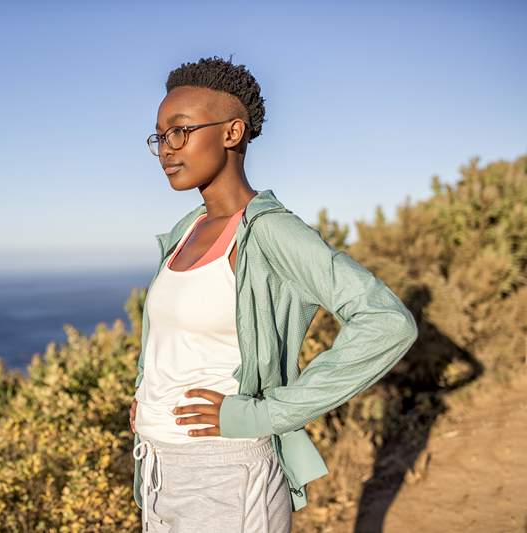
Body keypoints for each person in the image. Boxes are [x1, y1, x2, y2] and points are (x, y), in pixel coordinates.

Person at [129, 56, 418, 533]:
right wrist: (148, 394)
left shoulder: (271, 233)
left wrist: (266, 413)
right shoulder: (186, 232)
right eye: (159, 135)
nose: (166, 148)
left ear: (232, 132)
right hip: (157, 469)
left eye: (180, 131)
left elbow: (387, 322)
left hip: (227, 475)